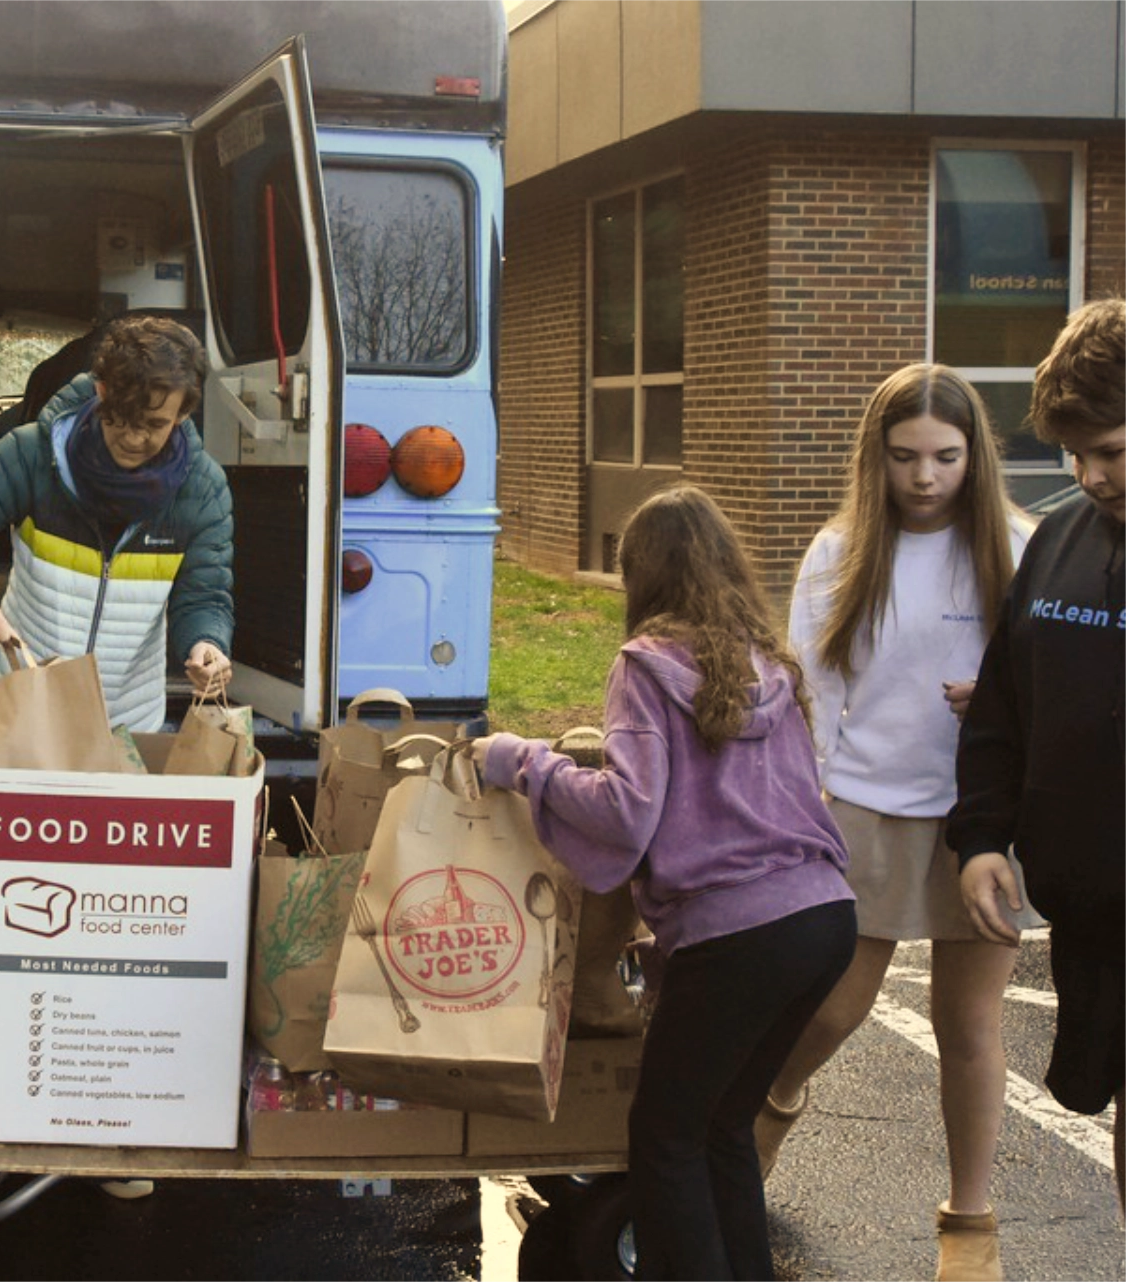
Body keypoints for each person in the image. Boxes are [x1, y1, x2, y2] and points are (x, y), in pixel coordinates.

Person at [471, 486, 857, 1282]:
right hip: (823, 916)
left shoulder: (645, 665)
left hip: (738, 931)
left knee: (665, 1138)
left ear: (639, 574)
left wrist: (522, 760)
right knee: (723, 1127)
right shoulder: (768, 663)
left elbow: (625, 811)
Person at [762, 364, 1035, 1280]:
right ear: (874, 457)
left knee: (972, 1026)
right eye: (905, 456)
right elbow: (808, 689)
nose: (925, 477)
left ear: (975, 455)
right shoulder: (841, 550)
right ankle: (769, 1109)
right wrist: (806, 804)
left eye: (945, 457)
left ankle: (970, 1221)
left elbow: (1057, 682)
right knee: (834, 1006)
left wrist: (1000, 698)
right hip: (864, 809)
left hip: (983, 819)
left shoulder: (1019, 544)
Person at [950, 297, 1126, 1233]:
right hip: (1095, 917)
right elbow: (1003, 709)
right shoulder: (1058, 542)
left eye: (1113, 452)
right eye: (1075, 455)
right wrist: (982, 837)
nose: (1090, 476)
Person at [0, 313, 234, 731]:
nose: (133, 438)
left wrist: (206, 644)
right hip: (16, 712)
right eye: (120, 417)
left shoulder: (203, 488)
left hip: (127, 725)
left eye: (153, 425)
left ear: (183, 412)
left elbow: (205, 597)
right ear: (101, 390)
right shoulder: (33, 454)